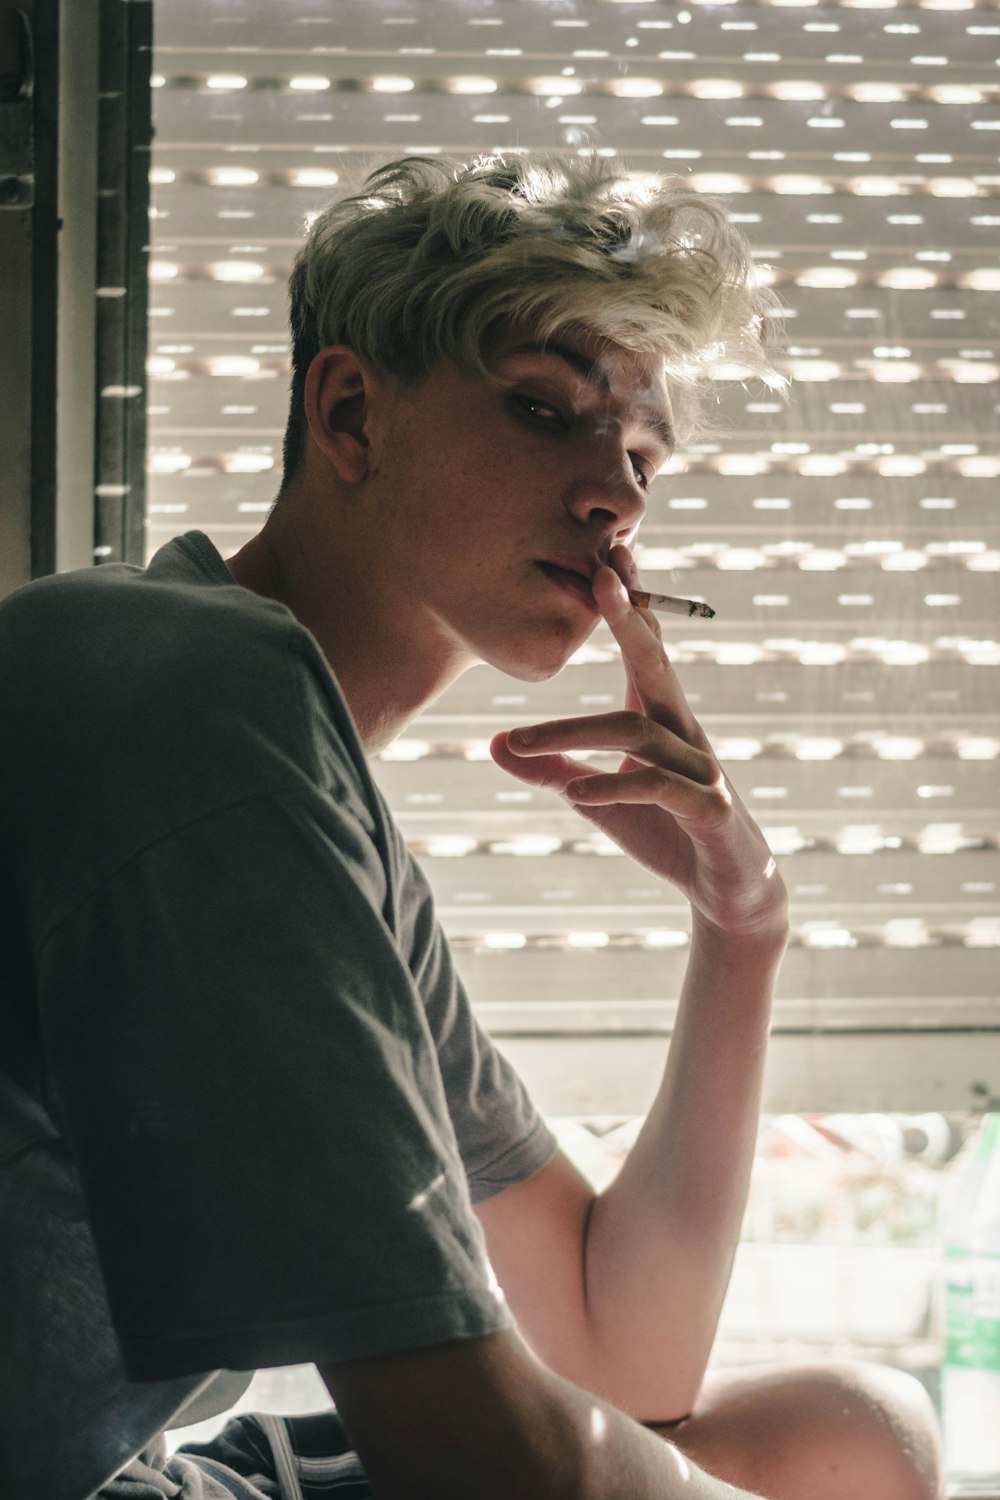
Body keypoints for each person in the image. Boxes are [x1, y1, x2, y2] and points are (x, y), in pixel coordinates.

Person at [0, 154, 943, 1500]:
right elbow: (477, 1459)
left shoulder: (313, 791)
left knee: (853, 1433)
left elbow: (625, 1347)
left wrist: (746, 929)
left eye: (641, 457)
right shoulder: (186, 688)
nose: (615, 494)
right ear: (350, 414)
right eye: (546, 411)